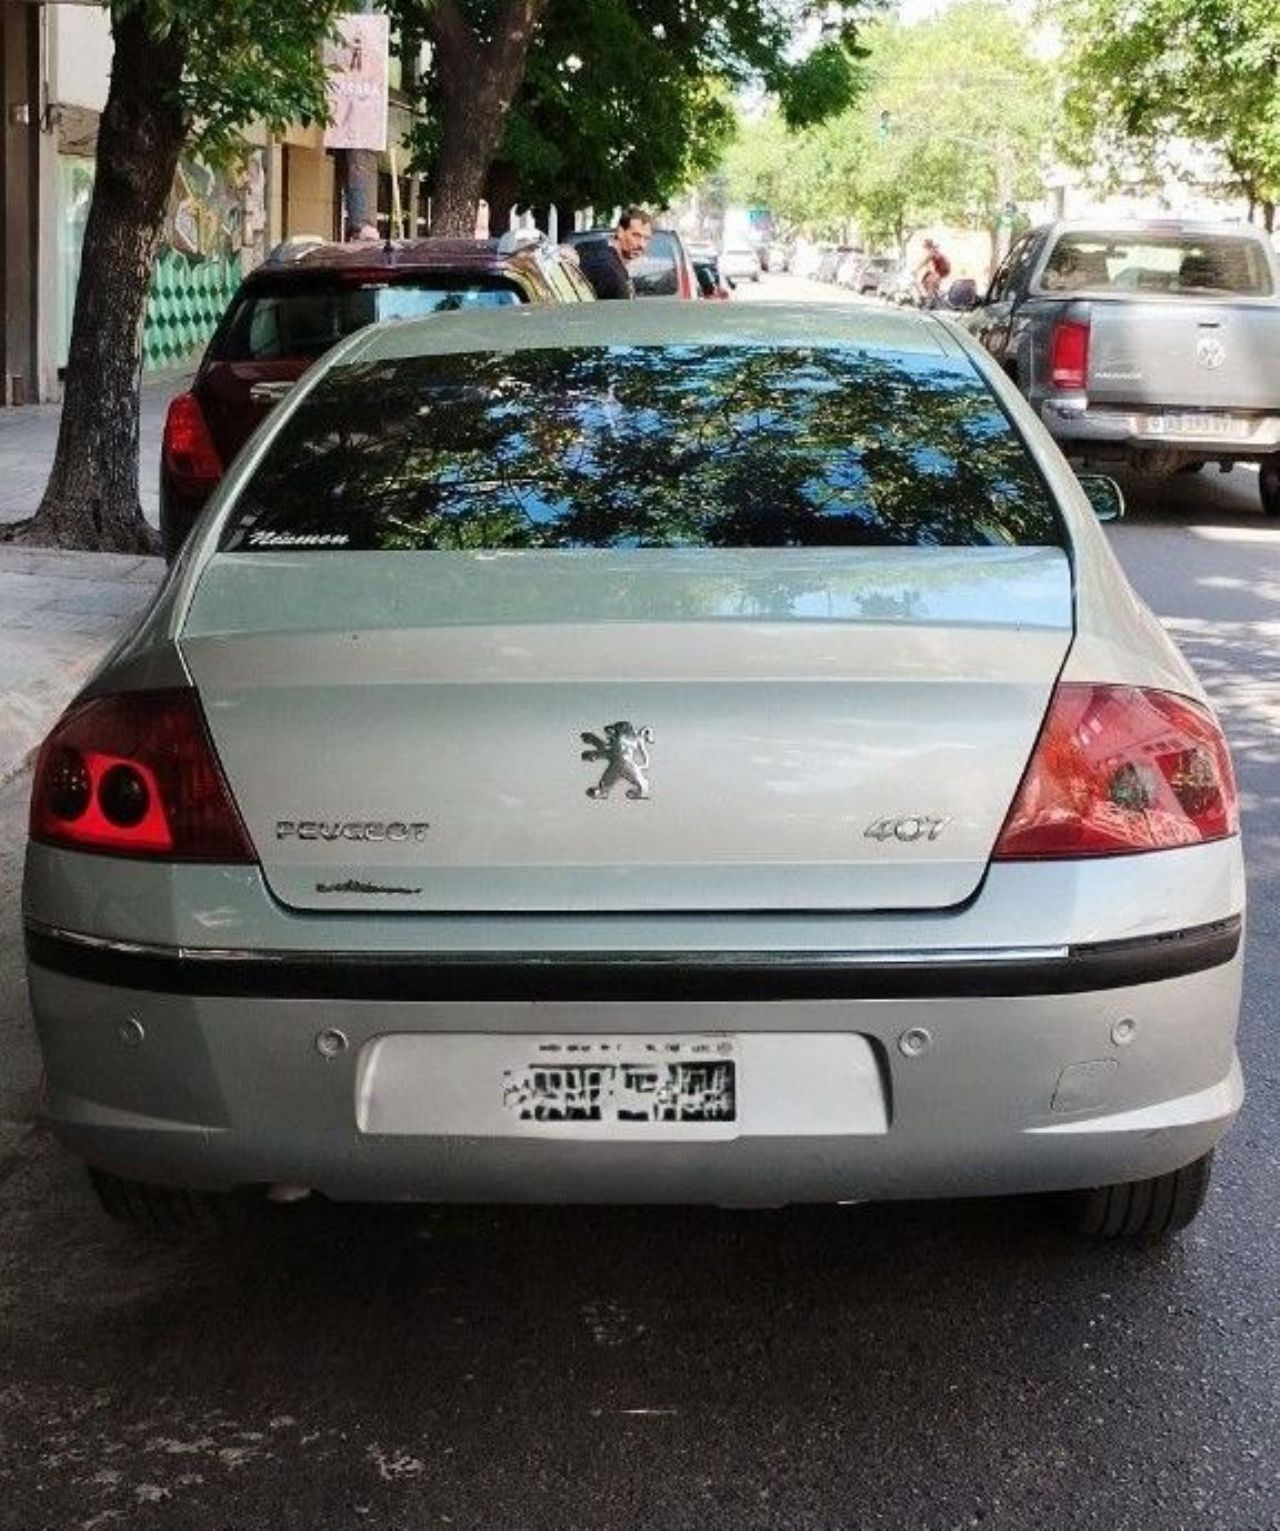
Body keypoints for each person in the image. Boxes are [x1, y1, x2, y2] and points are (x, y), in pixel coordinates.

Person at [577, 207, 652, 300]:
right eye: (636, 235)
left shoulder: (594, 250)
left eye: (646, 238)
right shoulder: (611, 274)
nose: (642, 245)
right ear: (620, 232)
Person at [915, 238, 951, 306]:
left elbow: (924, 262)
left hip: (942, 269)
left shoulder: (932, 252)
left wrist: (916, 270)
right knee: (925, 281)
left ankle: (930, 302)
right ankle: (936, 295)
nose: (923, 246)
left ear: (927, 245)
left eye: (924, 244)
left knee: (930, 283)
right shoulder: (933, 250)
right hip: (942, 269)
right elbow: (929, 263)